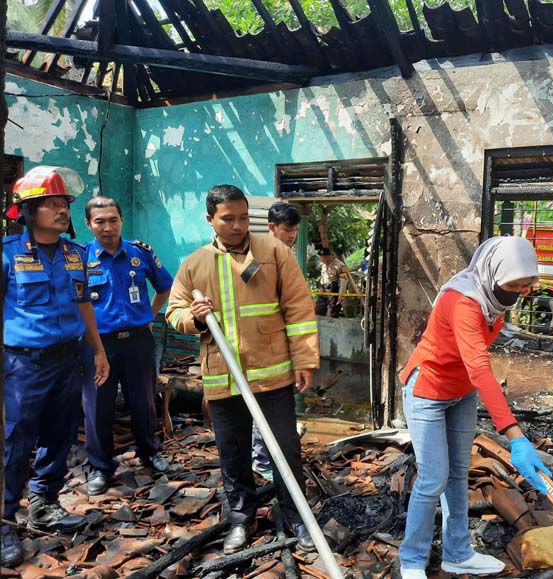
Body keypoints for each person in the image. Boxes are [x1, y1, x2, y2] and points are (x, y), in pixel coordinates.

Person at [166, 185, 320, 554]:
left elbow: (298, 308)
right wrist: (194, 319)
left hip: (273, 374)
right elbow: (173, 312)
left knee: (284, 449)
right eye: (227, 219)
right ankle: (241, 519)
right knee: (233, 453)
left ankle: (297, 518)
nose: (237, 226)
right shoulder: (194, 263)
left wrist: (305, 359)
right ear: (211, 220)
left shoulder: (274, 253)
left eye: (242, 217)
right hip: (223, 377)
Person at [398, 236, 550, 579]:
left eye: (527, 285)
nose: (520, 292)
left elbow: (477, 360)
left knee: (457, 474)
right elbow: (480, 367)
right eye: (515, 284)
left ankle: (458, 553)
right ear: (494, 273)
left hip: (461, 392)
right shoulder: (464, 300)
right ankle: (411, 560)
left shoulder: (492, 299)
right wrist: (515, 437)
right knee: (432, 479)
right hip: (428, 390)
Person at [1, 166, 109, 567]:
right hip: (21, 365)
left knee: (60, 435)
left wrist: (98, 350)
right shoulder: (7, 254)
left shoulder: (75, 255)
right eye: (51, 203)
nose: (61, 210)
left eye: (64, 203)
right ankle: (4, 519)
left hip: (68, 359)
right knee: (14, 443)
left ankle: (44, 502)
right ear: (28, 211)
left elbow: (85, 305)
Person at [82, 197, 175, 496]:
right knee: (97, 406)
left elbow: (165, 286)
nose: (107, 227)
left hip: (138, 342)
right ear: (88, 224)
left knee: (144, 401)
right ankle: (100, 467)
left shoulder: (139, 252)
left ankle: (149, 453)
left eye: (113, 220)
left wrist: (150, 314)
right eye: (100, 221)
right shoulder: (80, 258)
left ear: (121, 220)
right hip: (99, 345)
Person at [251, 201, 303, 483]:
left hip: (280, 343)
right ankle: (260, 459)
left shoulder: (286, 255)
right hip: (261, 346)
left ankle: (271, 457)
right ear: (272, 227)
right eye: (287, 229)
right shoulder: (257, 258)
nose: (292, 234)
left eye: (295, 229)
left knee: (277, 407)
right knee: (263, 404)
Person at [315, 247, 347, 318]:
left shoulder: (340, 265)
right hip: (323, 291)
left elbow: (344, 280)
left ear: (329, 256)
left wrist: (341, 294)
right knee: (318, 312)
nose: (322, 260)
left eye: (323, 258)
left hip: (333, 292)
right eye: (321, 258)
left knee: (331, 314)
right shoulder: (323, 265)